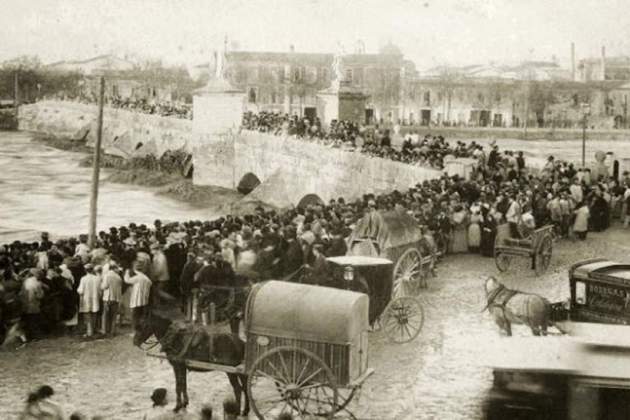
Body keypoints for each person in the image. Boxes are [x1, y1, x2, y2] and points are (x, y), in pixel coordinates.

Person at [20, 269, 46, 341]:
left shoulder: (26, 281)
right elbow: (39, 296)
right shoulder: (37, 284)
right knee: (34, 321)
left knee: (28, 320)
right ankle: (35, 336)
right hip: (33, 304)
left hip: (25, 303)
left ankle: (28, 336)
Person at [125, 264, 152, 330]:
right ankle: (142, 328)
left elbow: (127, 280)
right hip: (144, 300)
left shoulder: (138, 277)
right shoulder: (147, 279)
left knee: (135, 315)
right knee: (141, 315)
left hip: (137, 299)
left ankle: (135, 329)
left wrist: (126, 272)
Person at [77, 264, 101, 338]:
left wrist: (78, 291)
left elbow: (80, 290)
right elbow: (100, 290)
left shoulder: (83, 279)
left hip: (86, 299)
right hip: (95, 298)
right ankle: (92, 330)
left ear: (85, 270)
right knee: (94, 314)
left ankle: (89, 332)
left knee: (87, 315)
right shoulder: (97, 278)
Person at [100, 260, 122, 336]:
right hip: (116, 298)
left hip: (108, 297)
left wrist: (101, 286)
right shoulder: (118, 277)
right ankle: (112, 331)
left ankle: (104, 331)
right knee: (113, 316)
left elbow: (104, 286)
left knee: (105, 315)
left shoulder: (107, 276)